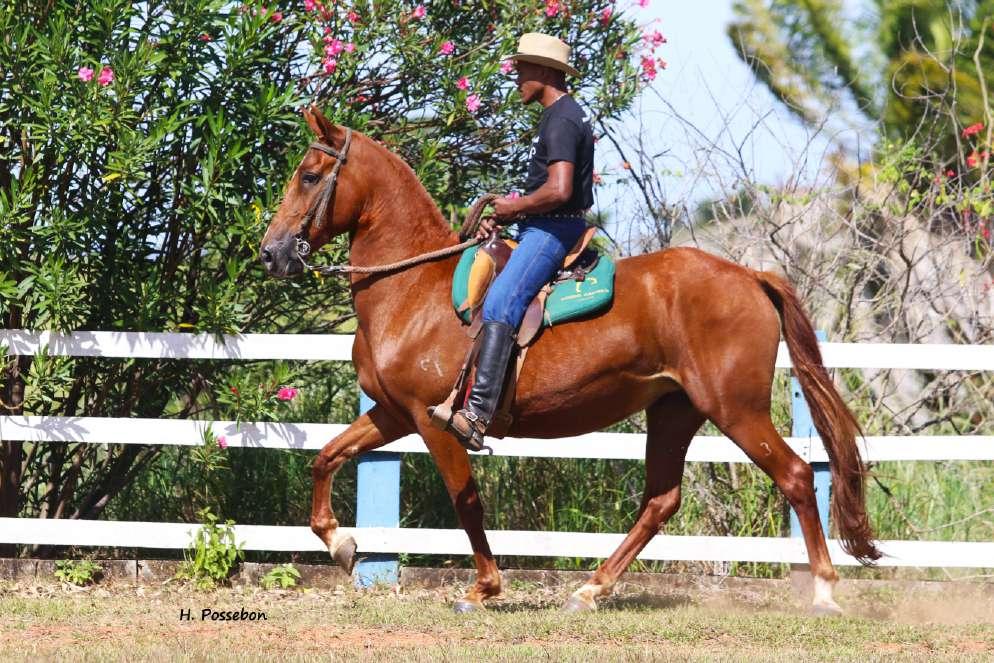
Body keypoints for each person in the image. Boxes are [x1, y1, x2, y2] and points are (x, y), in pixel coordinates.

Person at [439, 32, 595, 451]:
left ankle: (478, 414)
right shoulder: (563, 115)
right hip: (541, 225)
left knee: (502, 301)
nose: (515, 78)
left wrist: (514, 207)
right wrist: (512, 214)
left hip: (552, 229)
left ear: (545, 72)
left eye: (522, 69)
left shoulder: (561, 118)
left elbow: (560, 190)